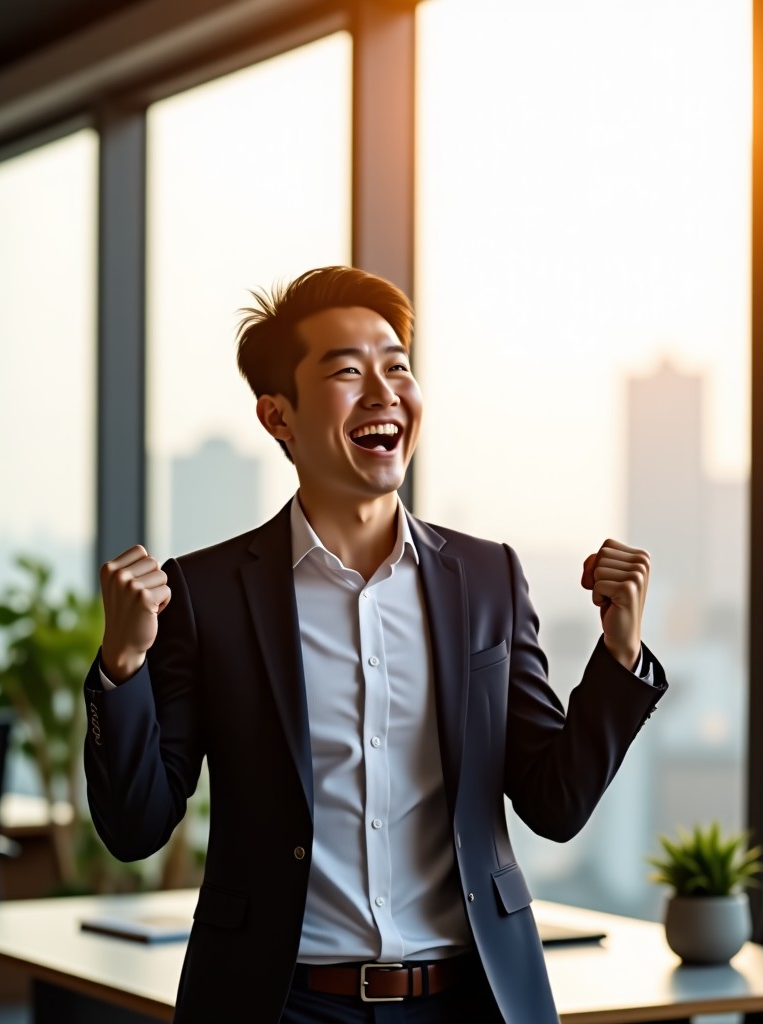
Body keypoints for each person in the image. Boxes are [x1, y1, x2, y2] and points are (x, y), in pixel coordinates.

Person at [84, 266, 667, 1023]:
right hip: (281, 1005)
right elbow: (136, 829)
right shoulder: (208, 593)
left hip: (469, 1001)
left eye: (397, 366)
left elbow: (552, 802)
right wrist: (123, 665)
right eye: (348, 371)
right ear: (278, 416)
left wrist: (619, 657)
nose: (383, 390)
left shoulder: (487, 578)